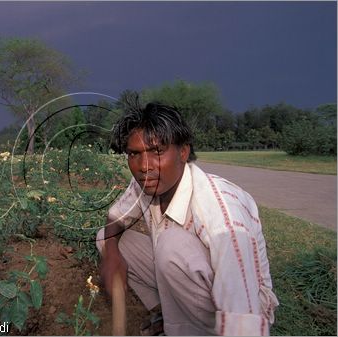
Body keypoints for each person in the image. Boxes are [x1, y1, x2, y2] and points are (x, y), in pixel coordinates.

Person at [97, 97, 279, 336]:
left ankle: (190, 330)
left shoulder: (221, 215)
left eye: (157, 151)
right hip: (195, 277)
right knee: (105, 237)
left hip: (244, 305)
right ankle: (168, 315)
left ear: (183, 152)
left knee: (171, 244)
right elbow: (116, 218)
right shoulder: (148, 181)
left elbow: (243, 313)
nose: (144, 166)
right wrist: (111, 253)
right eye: (134, 154)